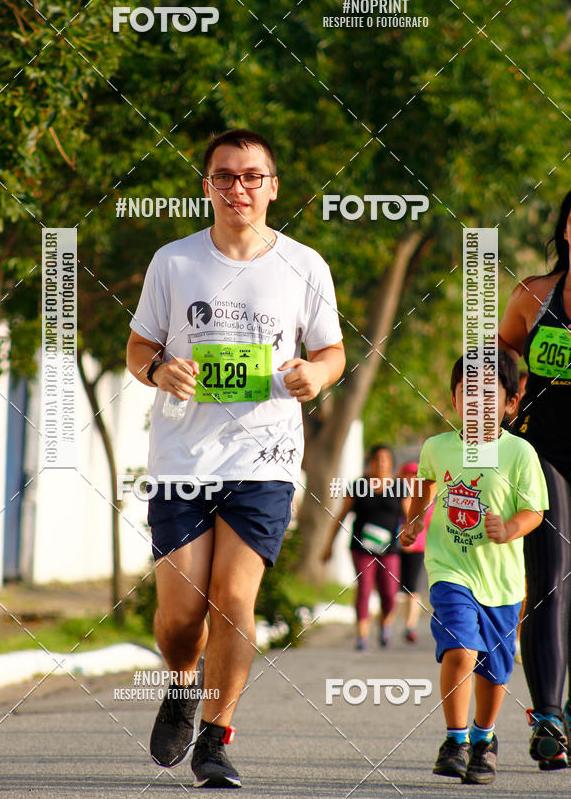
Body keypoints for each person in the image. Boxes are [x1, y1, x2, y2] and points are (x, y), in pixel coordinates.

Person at [126, 129, 345, 788]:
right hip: (182, 458)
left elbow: (331, 353)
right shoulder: (174, 262)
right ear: (207, 187)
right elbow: (138, 348)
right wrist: (160, 369)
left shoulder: (305, 266)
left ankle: (218, 737)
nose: (238, 188)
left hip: (266, 457)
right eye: (225, 177)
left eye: (252, 176)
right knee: (180, 616)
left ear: (273, 187)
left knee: (232, 597)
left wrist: (318, 375)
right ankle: (181, 683)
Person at [399, 351, 548, 785]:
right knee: (461, 649)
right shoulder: (437, 447)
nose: (478, 402)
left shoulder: (519, 453)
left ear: (510, 403)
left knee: (494, 669)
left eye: (490, 394)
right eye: (469, 393)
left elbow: (535, 510)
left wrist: (511, 527)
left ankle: (485, 739)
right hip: (450, 570)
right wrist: (413, 523)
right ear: (454, 399)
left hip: (501, 582)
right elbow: (425, 487)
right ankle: (456, 739)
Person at [499, 190, 571, 769]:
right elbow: (495, 356)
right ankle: (548, 717)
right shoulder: (534, 296)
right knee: (549, 579)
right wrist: (492, 401)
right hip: (542, 449)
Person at [322, 445, 401, 649]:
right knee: (364, 588)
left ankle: (385, 623)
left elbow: (409, 517)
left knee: (389, 594)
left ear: (391, 463)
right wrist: (328, 546)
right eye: (377, 459)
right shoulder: (358, 485)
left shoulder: (399, 487)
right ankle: (362, 636)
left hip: (389, 549)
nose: (381, 463)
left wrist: (413, 539)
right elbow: (341, 516)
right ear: (370, 462)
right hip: (361, 547)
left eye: (385, 459)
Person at [398, 461, 433, 644]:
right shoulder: (394, 494)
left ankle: (409, 626)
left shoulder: (426, 498)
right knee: (394, 589)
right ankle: (386, 624)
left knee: (412, 589)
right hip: (394, 547)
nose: (411, 479)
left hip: (417, 546)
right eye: (408, 475)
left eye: (415, 475)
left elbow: (427, 523)